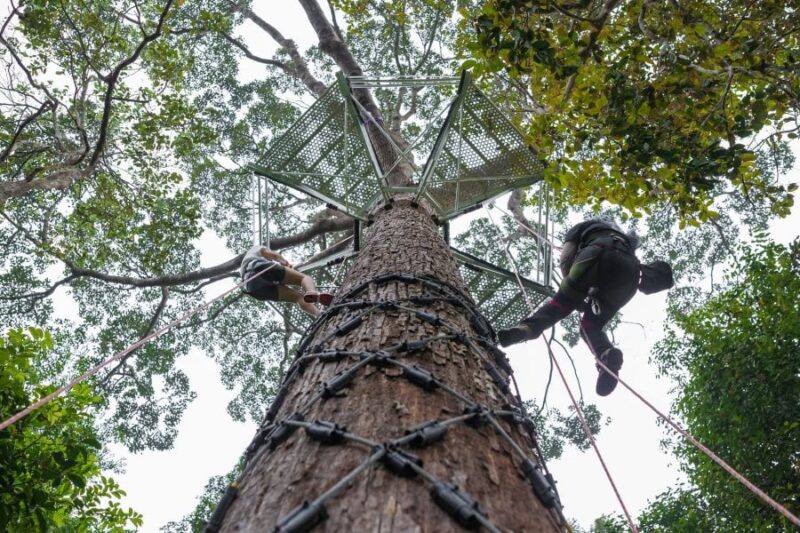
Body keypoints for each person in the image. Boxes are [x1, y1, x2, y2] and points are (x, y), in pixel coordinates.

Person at [497, 218, 673, 396]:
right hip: (630, 274)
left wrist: (573, 291)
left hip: (596, 253)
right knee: (591, 326)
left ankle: (525, 329)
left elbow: (566, 257)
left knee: (560, 305)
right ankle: (605, 353)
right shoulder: (627, 243)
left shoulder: (583, 228)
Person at [240, 244, 334, 317]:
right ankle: (312, 292)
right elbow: (274, 255)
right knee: (304, 278)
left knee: (298, 298)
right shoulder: (256, 249)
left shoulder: (244, 266)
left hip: (252, 288)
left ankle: (319, 314)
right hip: (258, 267)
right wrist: (284, 262)